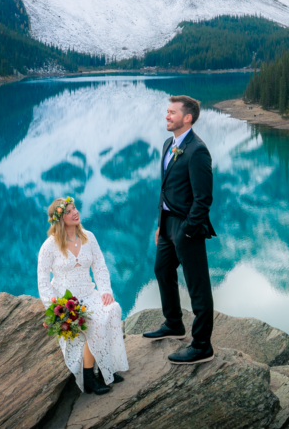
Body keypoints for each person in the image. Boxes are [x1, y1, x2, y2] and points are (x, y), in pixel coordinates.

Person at [143, 95, 217, 365]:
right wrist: (160, 225)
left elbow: (203, 199)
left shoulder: (197, 150)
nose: (167, 116)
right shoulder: (168, 144)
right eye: (167, 111)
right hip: (167, 224)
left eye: (172, 112)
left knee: (198, 288)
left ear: (188, 118)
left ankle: (201, 346)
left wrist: (187, 231)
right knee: (162, 269)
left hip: (187, 228)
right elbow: (164, 189)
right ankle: (174, 323)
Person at [37, 197, 128, 394]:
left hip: (90, 293)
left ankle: (106, 369)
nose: (75, 212)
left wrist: (105, 292)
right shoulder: (49, 246)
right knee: (92, 322)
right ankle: (88, 377)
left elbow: (101, 268)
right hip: (68, 301)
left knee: (113, 309)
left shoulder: (89, 237)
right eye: (69, 211)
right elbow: (43, 281)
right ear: (59, 219)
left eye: (75, 208)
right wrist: (54, 305)